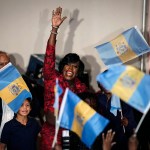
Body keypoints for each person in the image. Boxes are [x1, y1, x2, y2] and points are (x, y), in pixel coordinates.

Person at [40, 7, 88, 150]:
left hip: (74, 135)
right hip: (51, 134)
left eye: (74, 67)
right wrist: (54, 29)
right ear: (62, 67)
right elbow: (50, 54)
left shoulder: (81, 88)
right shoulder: (52, 77)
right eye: (67, 65)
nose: (70, 69)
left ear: (78, 71)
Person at [96, 83, 136, 150]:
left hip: (120, 140)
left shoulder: (122, 100)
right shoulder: (98, 99)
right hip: (102, 140)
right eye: (104, 82)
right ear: (100, 85)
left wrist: (127, 123)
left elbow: (133, 126)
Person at [0, 51, 14, 137]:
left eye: (7, 64)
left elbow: (35, 109)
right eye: (1, 64)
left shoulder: (22, 81)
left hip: (16, 131)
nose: (5, 67)